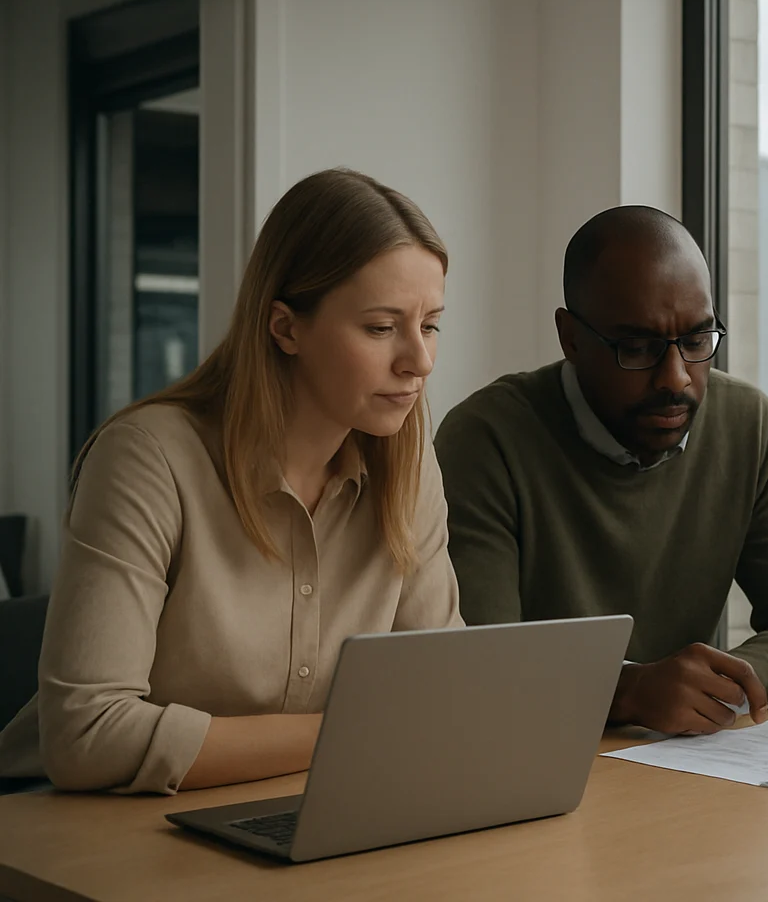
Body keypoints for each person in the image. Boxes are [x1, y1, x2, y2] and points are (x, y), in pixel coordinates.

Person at [0, 169, 462, 794]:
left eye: (430, 324)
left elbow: (441, 694)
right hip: (81, 825)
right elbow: (87, 736)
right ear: (285, 327)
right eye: (381, 328)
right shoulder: (148, 458)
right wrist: (352, 733)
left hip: (290, 803)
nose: (421, 360)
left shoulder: (406, 463)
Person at [436, 206, 768, 735]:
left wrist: (725, 684)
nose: (676, 378)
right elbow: (479, 664)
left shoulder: (746, 424)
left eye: (698, 341)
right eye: (637, 348)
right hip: (537, 757)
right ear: (570, 338)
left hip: (690, 765)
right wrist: (629, 691)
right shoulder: (487, 438)